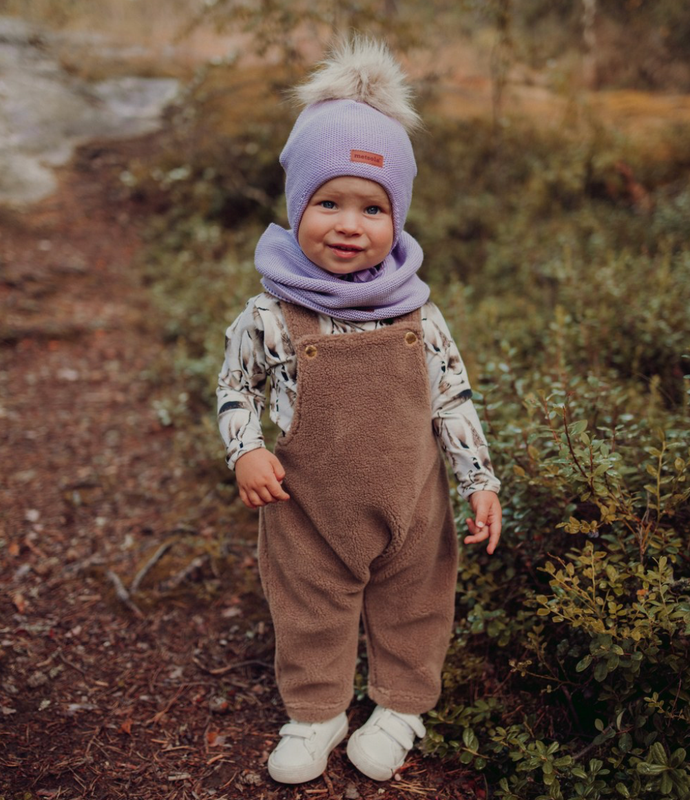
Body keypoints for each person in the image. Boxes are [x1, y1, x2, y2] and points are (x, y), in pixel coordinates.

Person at [217, 37, 502, 785]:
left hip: (413, 502)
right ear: (296, 206)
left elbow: (453, 399)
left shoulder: (421, 314)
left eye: (372, 207)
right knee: (311, 611)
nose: (350, 224)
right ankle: (315, 716)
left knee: (415, 605)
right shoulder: (271, 315)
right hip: (306, 506)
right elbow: (235, 389)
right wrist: (245, 448)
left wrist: (481, 479)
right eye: (328, 203)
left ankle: (401, 706)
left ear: (397, 214)